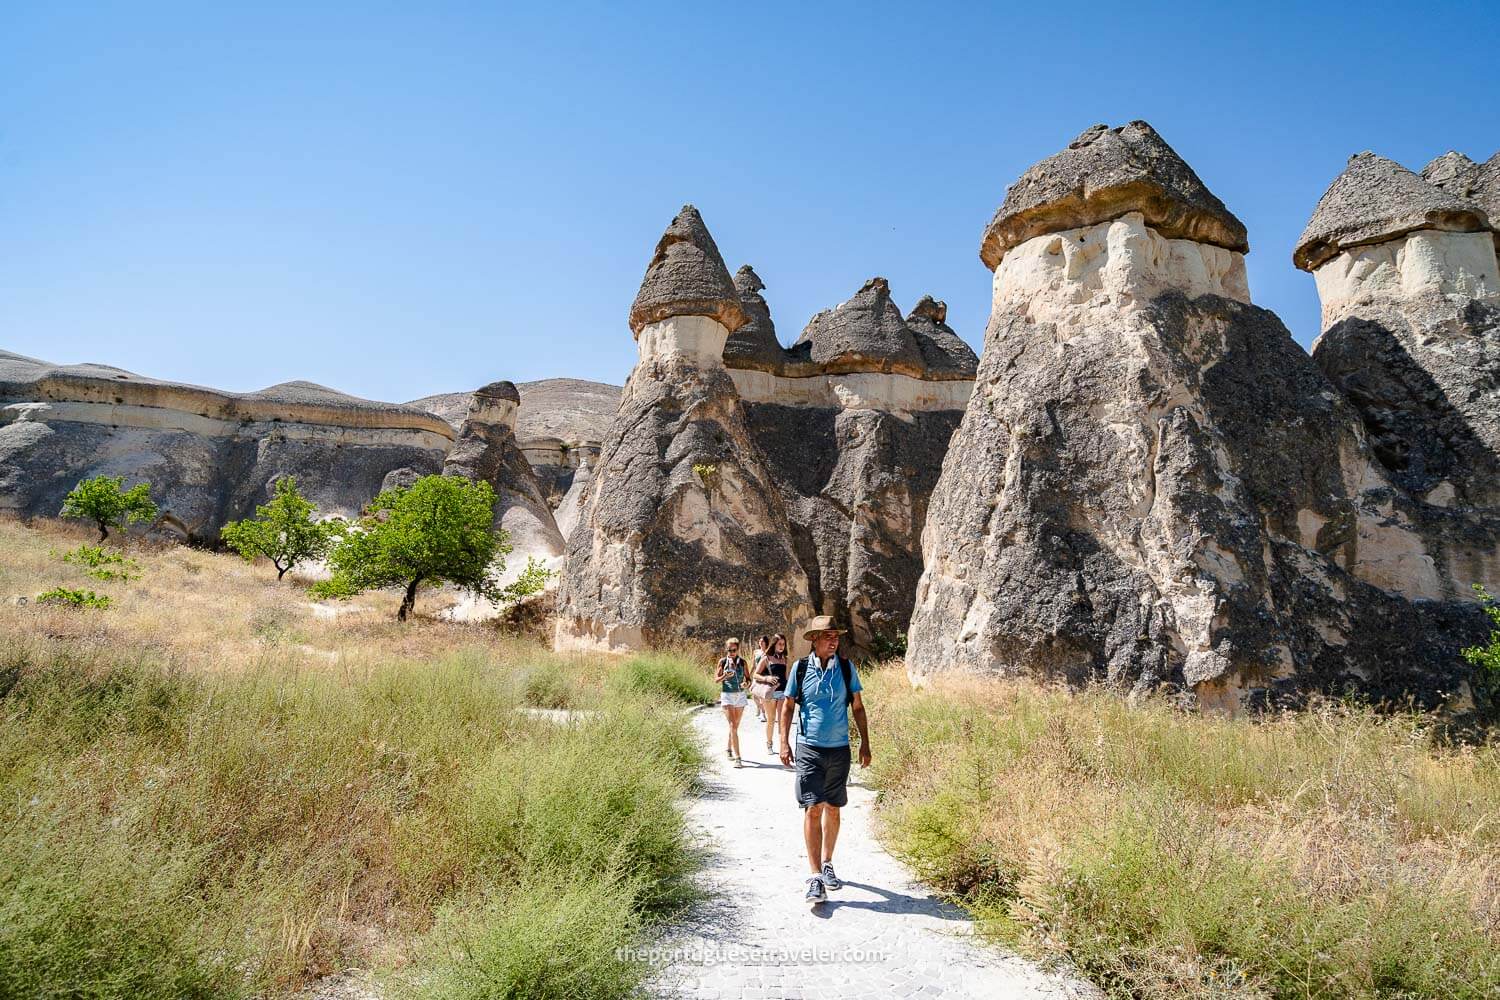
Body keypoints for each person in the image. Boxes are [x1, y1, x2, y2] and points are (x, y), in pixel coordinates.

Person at [779, 616, 871, 905]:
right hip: (809, 748)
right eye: (828, 636)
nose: (834, 641)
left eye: (836, 636)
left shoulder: (845, 667)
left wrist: (865, 743)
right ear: (814, 639)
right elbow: (788, 705)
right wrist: (783, 741)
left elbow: (857, 706)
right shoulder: (801, 667)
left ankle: (828, 862)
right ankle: (815, 876)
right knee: (813, 808)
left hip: (839, 748)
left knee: (833, 808)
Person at [752, 632, 791, 755]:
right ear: (774, 644)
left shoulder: (785, 659)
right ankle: (769, 744)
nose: (781, 646)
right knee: (771, 719)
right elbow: (755, 674)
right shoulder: (766, 658)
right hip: (769, 693)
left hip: (782, 693)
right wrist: (767, 678)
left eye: (783, 644)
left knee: (782, 720)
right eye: (779, 644)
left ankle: (782, 745)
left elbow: (786, 677)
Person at [715, 638, 748, 767]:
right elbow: (716, 679)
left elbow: (748, 679)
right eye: (729, 650)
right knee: (733, 725)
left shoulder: (743, 662)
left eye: (733, 650)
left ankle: (729, 748)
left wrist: (746, 683)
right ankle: (738, 758)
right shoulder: (722, 662)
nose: (731, 652)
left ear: (737, 649)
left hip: (740, 696)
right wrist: (724, 676)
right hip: (727, 695)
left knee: (735, 726)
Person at [751, 635, 770, 722]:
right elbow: (753, 664)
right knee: (754, 694)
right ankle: (759, 707)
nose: (760, 642)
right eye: (759, 641)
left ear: (766, 643)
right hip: (756, 675)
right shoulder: (755, 652)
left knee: (762, 696)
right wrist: (748, 675)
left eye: (762, 641)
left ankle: (763, 714)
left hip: (763, 676)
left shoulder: (768, 652)